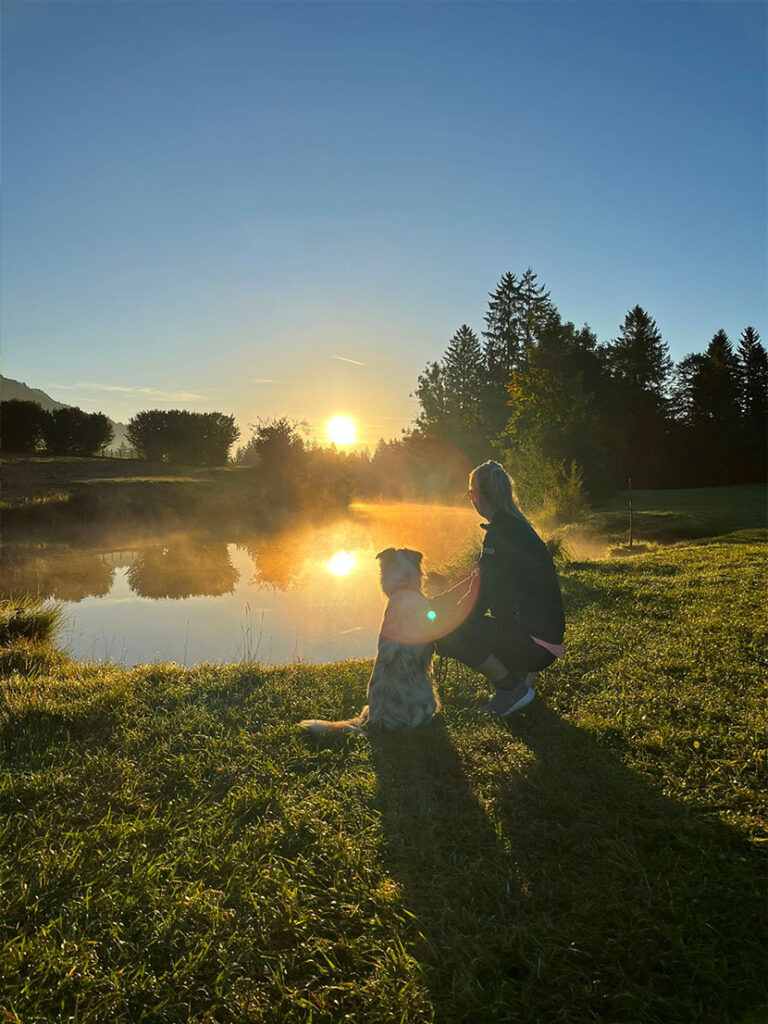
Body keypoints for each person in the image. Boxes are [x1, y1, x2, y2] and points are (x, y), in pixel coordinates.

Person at [432, 460, 565, 716]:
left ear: (482, 495)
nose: (470, 499)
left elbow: (480, 598)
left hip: (535, 644)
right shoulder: (516, 527)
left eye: (471, 493)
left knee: (449, 632)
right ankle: (521, 676)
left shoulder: (500, 536)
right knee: (457, 621)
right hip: (543, 637)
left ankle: (510, 689)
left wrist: (445, 622)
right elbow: (481, 578)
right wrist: (441, 600)